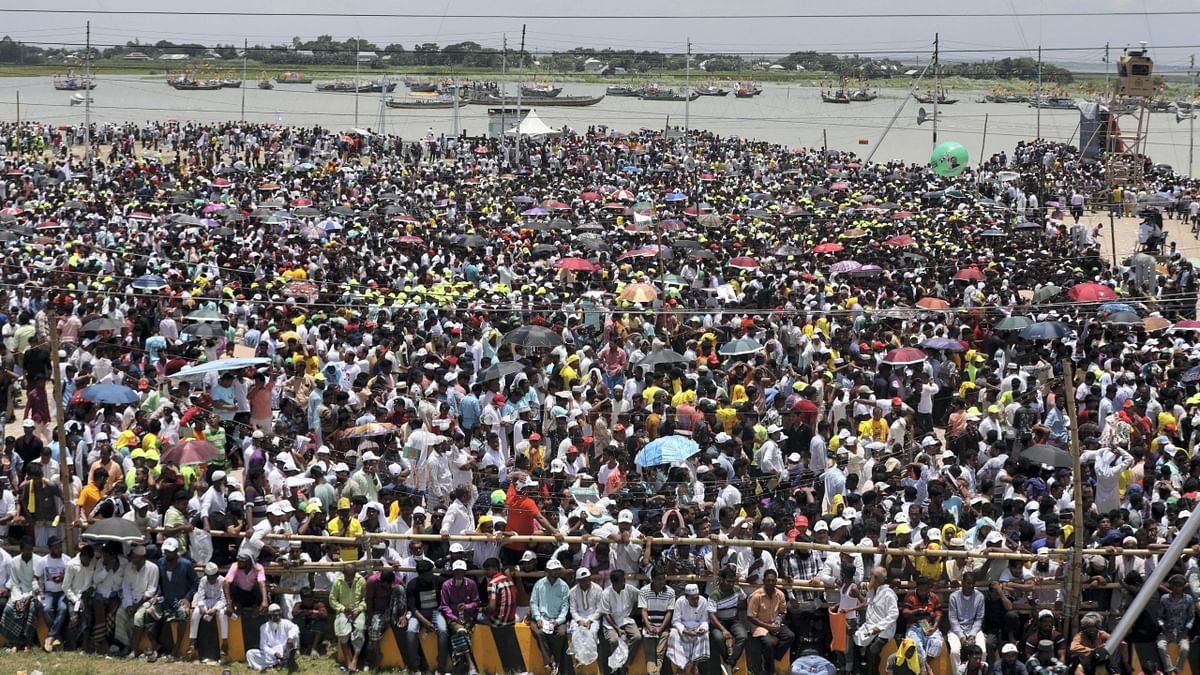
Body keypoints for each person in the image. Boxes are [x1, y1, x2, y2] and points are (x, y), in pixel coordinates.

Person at [405, 558, 450, 674]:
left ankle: (441, 665)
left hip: (436, 611)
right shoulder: (412, 585)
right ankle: (415, 666)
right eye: (428, 575)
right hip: (419, 613)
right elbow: (412, 608)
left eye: (431, 573)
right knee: (410, 631)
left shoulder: (439, 581)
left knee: (443, 630)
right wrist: (425, 623)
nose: (431, 576)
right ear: (420, 575)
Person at [482, 557, 526, 674]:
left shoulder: (492, 583)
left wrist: (482, 609)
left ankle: (490, 665)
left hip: (499, 622)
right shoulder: (508, 580)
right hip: (511, 619)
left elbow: (491, 608)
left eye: (488, 569)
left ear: (495, 568)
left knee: (477, 618)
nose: (486, 573)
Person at [747, 570, 793, 675]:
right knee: (769, 643)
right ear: (764, 581)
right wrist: (768, 626)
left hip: (774, 623)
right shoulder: (756, 596)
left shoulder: (780, 594)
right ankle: (770, 671)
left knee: (790, 636)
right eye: (768, 581)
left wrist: (778, 621)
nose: (770, 583)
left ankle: (774, 656)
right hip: (760, 625)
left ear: (776, 581)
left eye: (773, 581)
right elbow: (750, 616)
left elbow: (782, 612)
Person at [531, 557, 571, 675]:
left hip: (558, 618)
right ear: (547, 571)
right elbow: (533, 603)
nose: (555, 572)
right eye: (553, 570)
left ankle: (555, 661)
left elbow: (565, 607)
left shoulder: (564, 586)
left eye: (557, 570)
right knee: (539, 633)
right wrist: (538, 618)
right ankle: (549, 662)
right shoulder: (539, 584)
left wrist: (559, 621)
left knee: (561, 633)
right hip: (541, 617)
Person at [1, 537, 41, 652]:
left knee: (32, 609)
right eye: (27, 550)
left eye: (31, 549)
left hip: (33, 593)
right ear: (21, 549)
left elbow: (38, 581)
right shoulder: (14, 561)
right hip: (18, 593)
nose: (29, 552)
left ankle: (27, 642)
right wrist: (18, 599)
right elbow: (14, 583)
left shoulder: (38, 561)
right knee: (9, 609)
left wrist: (29, 595)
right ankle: (15, 642)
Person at [441, 559, 481, 674]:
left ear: (464, 572)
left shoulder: (471, 584)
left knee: (460, 636)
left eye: (461, 571)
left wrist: (467, 607)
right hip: (454, 618)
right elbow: (444, 606)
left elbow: (476, 602)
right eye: (457, 571)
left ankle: (458, 666)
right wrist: (454, 618)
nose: (459, 574)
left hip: (468, 617)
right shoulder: (446, 585)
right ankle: (471, 665)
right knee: (461, 632)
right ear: (453, 572)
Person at [856, 567, 898, 675]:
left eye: (871, 576)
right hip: (870, 627)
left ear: (876, 579)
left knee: (872, 651)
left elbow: (894, 614)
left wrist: (879, 627)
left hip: (884, 630)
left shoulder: (888, 594)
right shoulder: (872, 591)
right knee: (853, 643)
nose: (869, 578)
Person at [600, 568, 641, 675]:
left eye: (624, 580)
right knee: (613, 640)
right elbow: (606, 614)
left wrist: (635, 610)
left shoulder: (629, 589)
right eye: (622, 581)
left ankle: (624, 662)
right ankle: (616, 667)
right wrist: (617, 628)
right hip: (611, 624)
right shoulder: (606, 593)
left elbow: (641, 596)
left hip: (626, 619)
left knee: (637, 637)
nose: (624, 583)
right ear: (615, 582)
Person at [187, 562, 230, 663]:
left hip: (218, 602)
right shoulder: (203, 580)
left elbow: (224, 599)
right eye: (209, 577)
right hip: (207, 602)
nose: (210, 580)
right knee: (196, 612)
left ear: (217, 575)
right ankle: (192, 641)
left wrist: (215, 609)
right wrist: (201, 606)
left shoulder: (222, 581)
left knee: (223, 614)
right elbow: (201, 595)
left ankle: (224, 643)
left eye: (212, 578)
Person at [34, 533, 68, 652]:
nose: (59, 549)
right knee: (46, 608)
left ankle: (51, 635)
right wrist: (38, 588)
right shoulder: (43, 561)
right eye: (56, 547)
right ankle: (57, 636)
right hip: (48, 592)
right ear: (50, 548)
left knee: (63, 608)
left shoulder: (66, 560)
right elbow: (35, 577)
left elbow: (70, 576)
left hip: (62, 592)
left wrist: (63, 578)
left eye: (60, 546)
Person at [668, 583, 712, 675]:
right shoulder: (680, 602)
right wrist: (686, 631)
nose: (696, 601)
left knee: (705, 634)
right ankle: (681, 666)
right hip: (683, 629)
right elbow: (676, 621)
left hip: (697, 629)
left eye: (697, 598)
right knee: (673, 633)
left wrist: (702, 629)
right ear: (687, 597)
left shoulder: (703, 601)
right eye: (693, 599)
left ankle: (695, 665)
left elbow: (705, 621)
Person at [329, 561, 366, 673]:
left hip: (358, 611)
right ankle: (348, 662)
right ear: (343, 573)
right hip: (343, 611)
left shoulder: (361, 580)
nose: (349, 578)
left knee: (359, 630)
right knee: (342, 632)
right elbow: (332, 599)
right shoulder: (338, 581)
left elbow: (365, 599)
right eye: (347, 576)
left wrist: (359, 608)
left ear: (355, 573)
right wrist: (343, 608)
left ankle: (355, 659)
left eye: (352, 576)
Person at [1156, 574, 1195, 675]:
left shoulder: (1189, 599)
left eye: (1180, 585)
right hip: (1167, 630)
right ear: (1171, 585)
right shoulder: (1164, 598)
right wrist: (1165, 631)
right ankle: (1169, 670)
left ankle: (1177, 670)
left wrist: (1185, 632)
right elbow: (1159, 617)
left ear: (1184, 586)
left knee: (1185, 649)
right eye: (1175, 585)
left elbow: (1191, 617)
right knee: (1161, 646)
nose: (1178, 587)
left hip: (1182, 631)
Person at [245, 602, 299, 673]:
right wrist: (274, 653)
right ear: (270, 616)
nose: (278, 617)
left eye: (279, 615)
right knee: (250, 653)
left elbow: (295, 628)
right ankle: (272, 665)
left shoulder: (286, 622)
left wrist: (290, 638)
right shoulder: (264, 627)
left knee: (295, 636)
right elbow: (263, 646)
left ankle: (290, 661)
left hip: (285, 650)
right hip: (272, 654)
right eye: (275, 615)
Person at [948, 570, 987, 666]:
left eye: (973, 584)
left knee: (983, 651)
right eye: (968, 583)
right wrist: (961, 636)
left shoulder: (980, 596)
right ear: (962, 583)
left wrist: (973, 634)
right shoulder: (953, 597)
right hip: (956, 630)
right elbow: (953, 619)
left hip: (974, 629)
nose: (971, 586)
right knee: (954, 652)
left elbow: (979, 619)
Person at [569, 566, 604, 671]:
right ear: (578, 581)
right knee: (575, 631)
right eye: (583, 581)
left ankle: (588, 658)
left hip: (593, 618)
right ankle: (579, 658)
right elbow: (573, 610)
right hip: (579, 618)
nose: (586, 582)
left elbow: (600, 609)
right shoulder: (573, 592)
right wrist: (579, 621)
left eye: (588, 579)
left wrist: (590, 620)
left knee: (591, 631)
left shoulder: (598, 589)